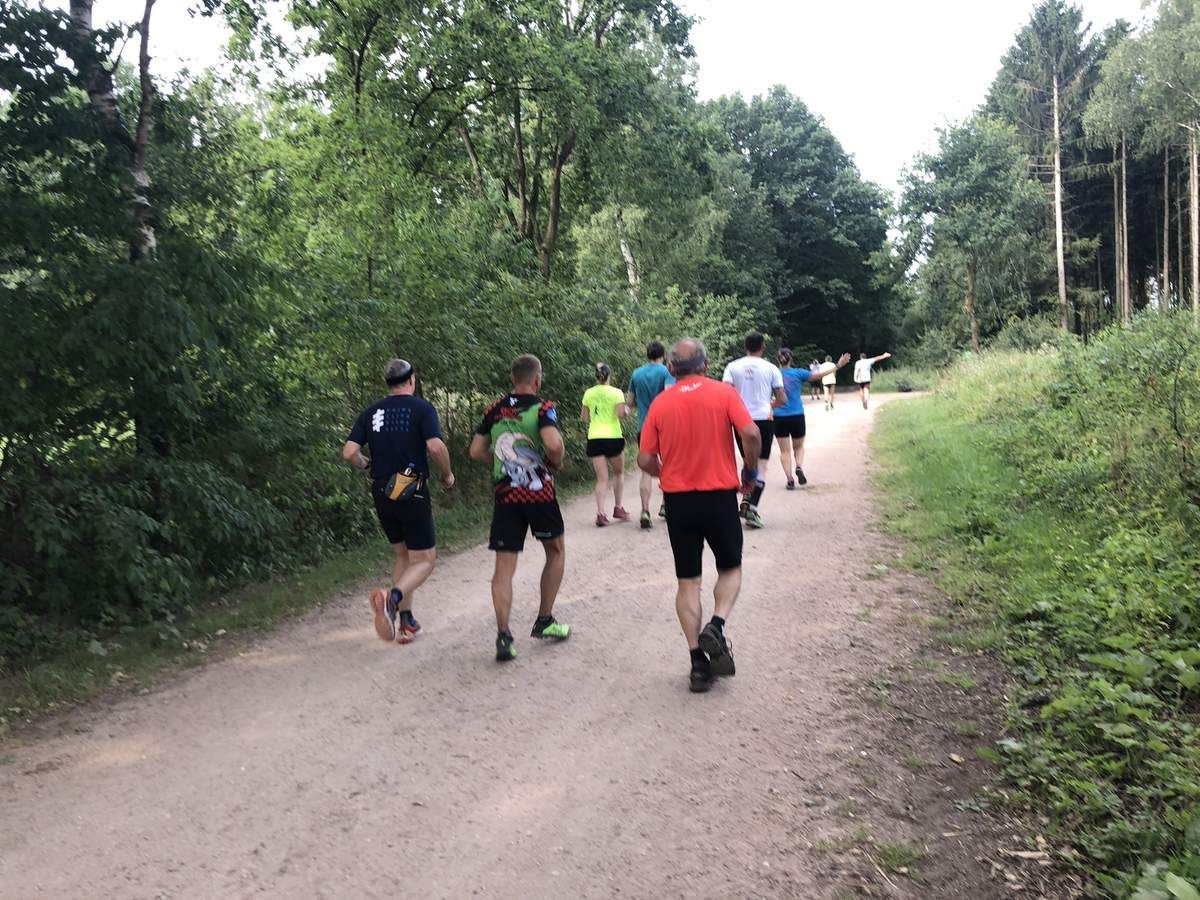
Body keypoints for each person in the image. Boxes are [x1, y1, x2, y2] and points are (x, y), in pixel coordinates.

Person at [638, 338, 760, 693]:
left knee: (688, 582)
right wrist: (749, 471)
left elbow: (644, 459)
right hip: (719, 497)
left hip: (679, 501)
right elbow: (751, 432)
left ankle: (697, 664)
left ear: (671, 368)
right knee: (730, 568)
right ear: (706, 365)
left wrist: (667, 473)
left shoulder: (661, 403)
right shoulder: (723, 394)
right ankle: (716, 626)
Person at [342, 358, 455, 644]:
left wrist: (367, 464)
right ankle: (391, 599)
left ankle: (406, 623)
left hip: (382, 491)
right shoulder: (422, 408)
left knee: (404, 556)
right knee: (425, 560)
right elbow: (435, 447)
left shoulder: (371, 412)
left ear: (388, 384)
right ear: (412, 380)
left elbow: (349, 452)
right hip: (410, 489)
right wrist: (447, 474)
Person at [469, 354, 570, 662]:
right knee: (555, 550)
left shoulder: (494, 409)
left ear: (513, 378)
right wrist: (554, 463)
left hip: (506, 495)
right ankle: (545, 620)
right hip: (539, 494)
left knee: (504, 567)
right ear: (537, 379)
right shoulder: (543, 408)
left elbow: (476, 450)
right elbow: (553, 444)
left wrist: (502, 461)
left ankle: (504, 635)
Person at [722, 332, 785, 529]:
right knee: (761, 465)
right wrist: (770, 405)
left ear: (745, 346)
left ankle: (746, 496)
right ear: (763, 347)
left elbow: (725, 393)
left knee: (748, 461)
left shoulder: (732, 367)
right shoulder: (771, 368)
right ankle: (752, 509)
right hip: (764, 419)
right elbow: (782, 398)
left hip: (740, 420)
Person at [774, 348, 849, 489]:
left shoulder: (773, 374)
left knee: (784, 451)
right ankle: (799, 466)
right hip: (797, 415)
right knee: (798, 447)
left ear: (777, 359)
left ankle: (789, 479)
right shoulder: (798, 373)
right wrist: (838, 365)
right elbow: (819, 375)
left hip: (779, 416)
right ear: (791, 359)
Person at [626, 340, 675, 528]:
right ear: (663, 355)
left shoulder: (636, 373)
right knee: (668, 466)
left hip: (643, 426)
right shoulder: (666, 372)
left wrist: (642, 403)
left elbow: (630, 402)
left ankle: (645, 511)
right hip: (664, 426)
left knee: (646, 469)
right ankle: (665, 506)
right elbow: (669, 397)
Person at [582, 362, 631, 526]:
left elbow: (584, 417)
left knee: (601, 479)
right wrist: (627, 410)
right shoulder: (616, 392)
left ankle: (600, 514)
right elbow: (620, 414)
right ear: (609, 375)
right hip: (613, 437)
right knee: (619, 473)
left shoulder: (588, 393)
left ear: (596, 376)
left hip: (595, 437)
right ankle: (618, 507)